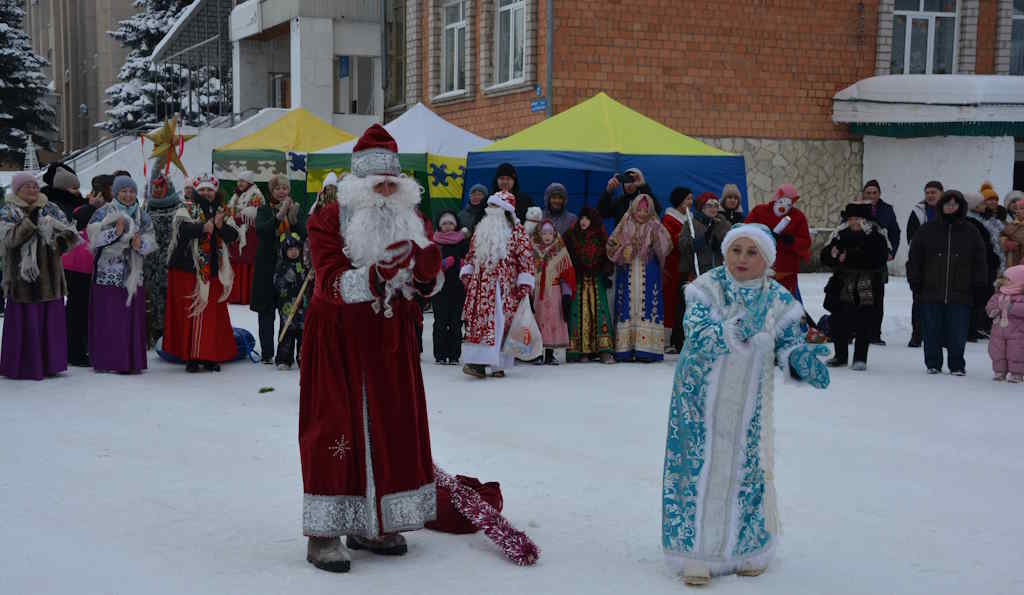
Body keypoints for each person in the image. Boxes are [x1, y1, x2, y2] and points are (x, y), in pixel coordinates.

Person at [299, 124, 442, 572]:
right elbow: (328, 282)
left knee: (391, 425)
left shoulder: (412, 220)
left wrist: (424, 278)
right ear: (356, 184)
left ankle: (374, 522)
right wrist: (376, 276)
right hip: (338, 336)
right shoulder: (328, 217)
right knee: (336, 430)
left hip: (390, 340)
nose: (385, 189)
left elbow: (419, 284)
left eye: (392, 182)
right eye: (377, 182)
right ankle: (325, 532)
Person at [661, 224, 830, 586]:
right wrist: (735, 329)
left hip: (748, 400)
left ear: (767, 259)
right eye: (736, 250)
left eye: (752, 253)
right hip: (698, 398)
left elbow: (789, 341)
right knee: (698, 469)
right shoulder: (707, 287)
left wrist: (803, 361)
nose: (742, 259)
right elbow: (698, 331)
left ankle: (747, 549)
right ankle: (695, 553)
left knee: (746, 469)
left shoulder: (778, 298)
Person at [0, 173, 82, 380]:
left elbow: (71, 233)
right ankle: (23, 365)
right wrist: (31, 222)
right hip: (22, 279)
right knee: (25, 323)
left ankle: (50, 364)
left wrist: (59, 241)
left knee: (49, 322)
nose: (33, 190)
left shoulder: (51, 208)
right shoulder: (8, 210)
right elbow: (9, 239)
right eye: (27, 186)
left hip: (50, 276)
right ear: (17, 189)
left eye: (35, 186)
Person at [162, 173, 240, 373]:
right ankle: (192, 357)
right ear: (196, 191)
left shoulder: (223, 211)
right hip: (188, 269)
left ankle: (208, 355)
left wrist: (220, 226)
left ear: (216, 192)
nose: (206, 193)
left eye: (210, 190)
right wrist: (202, 227)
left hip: (212, 269)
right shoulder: (186, 208)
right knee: (191, 313)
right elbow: (182, 231)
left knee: (210, 315)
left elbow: (233, 236)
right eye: (202, 189)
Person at [907, 190, 987, 376]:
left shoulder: (971, 231)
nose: (951, 207)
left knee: (958, 331)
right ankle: (933, 363)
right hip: (931, 290)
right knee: (931, 329)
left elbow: (980, 260)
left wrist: (979, 284)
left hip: (961, 290)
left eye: (955, 204)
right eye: (947, 204)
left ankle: (957, 364)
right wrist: (915, 280)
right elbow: (914, 258)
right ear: (941, 206)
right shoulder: (927, 230)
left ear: (961, 207)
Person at [460, 191, 535, 378]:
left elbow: (526, 257)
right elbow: (471, 254)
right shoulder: (481, 229)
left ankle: (497, 364)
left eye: (494, 206)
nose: (490, 210)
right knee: (480, 323)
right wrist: (468, 272)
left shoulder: (517, 231)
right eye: (490, 206)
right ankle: (478, 362)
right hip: (481, 287)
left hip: (505, 287)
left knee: (501, 322)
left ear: (505, 210)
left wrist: (524, 282)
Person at [86, 176, 156, 374]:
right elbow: (92, 239)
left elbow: (151, 239)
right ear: (116, 193)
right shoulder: (103, 212)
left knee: (131, 317)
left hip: (133, 274)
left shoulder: (142, 215)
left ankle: (130, 359)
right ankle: (109, 359)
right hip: (109, 273)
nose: (128, 195)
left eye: (131, 191)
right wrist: (115, 233)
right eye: (124, 191)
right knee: (110, 317)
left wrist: (140, 244)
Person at [820, 202, 890, 370]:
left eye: (857, 218)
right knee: (838, 321)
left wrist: (849, 256)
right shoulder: (840, 234)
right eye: (851, 219)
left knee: (863, 322)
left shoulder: (876, 235)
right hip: (841, 283)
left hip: (866, 284)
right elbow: (826, 257)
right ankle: (840, 355)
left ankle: (860, 358)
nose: (854, 222)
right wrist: (833, 256)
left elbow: (878, 259)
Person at [607, 194, 672, 362]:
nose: (642, 213)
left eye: (646, 210)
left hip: (648, 269)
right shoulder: (625, 223)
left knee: (648, 304)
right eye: (639, 209)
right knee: (628, 304)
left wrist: (655, 242)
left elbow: (667, 246)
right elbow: (611, 244)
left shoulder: (655, 224)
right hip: (627, 269)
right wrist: (625, 249)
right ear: (633, 208)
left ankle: (647, 350)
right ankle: (625, 348)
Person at [40, 162, 91, 367]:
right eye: (72, 187)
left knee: (76, 307)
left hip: (77, 262)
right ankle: (52, 348)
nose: (76, 191)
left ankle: (74, 348)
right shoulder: (49, 203)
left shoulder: (80, 202)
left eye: (77, 187)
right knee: (53, 306)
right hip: (56, 260)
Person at [251, 174, 301, 364]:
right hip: (267, 268)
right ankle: (267, 352)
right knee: (266, 312)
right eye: (277, 188)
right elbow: (262, 232)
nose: (282, 191)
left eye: (285, 188)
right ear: (271, 191)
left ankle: (287, 352)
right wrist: (279, 217)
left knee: (289, 311)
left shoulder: (294, 209)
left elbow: (302, 234)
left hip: (288, 271)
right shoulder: (264, 210)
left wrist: (293, 219)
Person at [564, 207, 615, 363]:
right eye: (582, 218)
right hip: (579, 280)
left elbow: (608, 256)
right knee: (579, 313)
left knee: (599, 313)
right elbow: (564, 253)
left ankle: (603, 350)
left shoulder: (600, 236)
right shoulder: (571, 235)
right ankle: (581, 350)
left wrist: (606, 271)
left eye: (587, 219)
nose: (584, 222)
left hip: (596, 280)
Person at [744, 183, 811, 301]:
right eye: (781, 201)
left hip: (786, 272)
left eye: (789, 203)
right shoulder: (759, 212)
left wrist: (791, 241)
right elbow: (745, 232)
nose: (783, 206)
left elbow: (805, 241)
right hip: (760, 270)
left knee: (785, 306)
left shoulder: (797, 217)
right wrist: (763, 234)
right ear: (776, 199)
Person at [143, 172, 181, 349]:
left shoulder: (178, 207)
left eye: (161, 186)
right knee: (154, 296)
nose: (157, 190)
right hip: (151, 261)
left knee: (170, 296)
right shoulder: (147, 207)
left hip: (172, 260)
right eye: (155, 187)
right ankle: (156, 332)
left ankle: (172, 333)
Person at [861, 180, 901, 345]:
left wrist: (891, 252)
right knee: (861, 296)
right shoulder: (857, 207)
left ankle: (874, 334)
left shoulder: (887, 210)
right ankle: (858, 331)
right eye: (868, 193)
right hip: (860, 260)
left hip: (878, 260)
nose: (871, 196)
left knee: (877, 298)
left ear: (879, 194)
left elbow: (894, 232)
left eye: (874, 193)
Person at [531, 220, 576, 365]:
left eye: (550, 233)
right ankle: (537, 354)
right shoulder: (533, 250)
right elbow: (528, 270)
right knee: (538, 320)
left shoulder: (560, 250)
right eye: (544, 233)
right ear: (539, 234)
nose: (547, 236)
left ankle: (550, 354)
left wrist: (567, 294)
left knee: (552, 320)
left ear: (554, 234)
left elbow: (566, 273)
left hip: (554, 291)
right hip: (537, 291)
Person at [906, 180, 943, 347]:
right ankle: (917, 334)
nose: (930, 195)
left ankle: (939, 336)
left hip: (943, 264)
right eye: (927, 192)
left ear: (941, 193)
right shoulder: (918, 211)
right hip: (921, 263)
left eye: (933, 192)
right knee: (919, 300)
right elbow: (911, 237)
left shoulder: (948, 211)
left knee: (941, 302)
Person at [431, 210, 469, 365]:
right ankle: (440, 354)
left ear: (456, 225)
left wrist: (464, 264)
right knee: (440, 322)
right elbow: (428, 265)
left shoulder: (463, 242)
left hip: (458, 289)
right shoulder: (434, 243)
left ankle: (454, 355)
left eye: (451, 223)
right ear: (440, 226)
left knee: (455, 322)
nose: (448, 226)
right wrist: (441, 265)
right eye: (445, 223)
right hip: (439, 289)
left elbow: (471, 260)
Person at [964, 192, 1002, 342]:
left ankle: (975, 327)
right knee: (975, 298)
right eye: (980, 204)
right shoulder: (972, 222)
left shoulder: (982, 220)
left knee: (981, 298)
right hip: (979, 266)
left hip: (986, 264)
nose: (984, 205)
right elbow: (984, 245)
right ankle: (971, 329)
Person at [660, 187, 693, 353]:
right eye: (687, 199)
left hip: (685, 266)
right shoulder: (668, 219)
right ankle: (667, 339)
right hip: (672, 266)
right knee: (671, 302)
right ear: (679, 201)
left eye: (691, 198)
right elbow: (669, 242)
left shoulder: (690, 218)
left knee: (682, 303)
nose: (690, 202)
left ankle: (680, 337)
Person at [226, 170, 265, 304]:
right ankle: (235, 294)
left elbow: (254, 213)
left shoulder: (256, 194)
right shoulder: (237, 195)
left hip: (249, 234)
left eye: (242, 181)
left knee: (247, 261)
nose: (240, 183)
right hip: (237, 232)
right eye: (239, 181)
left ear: (249, 182)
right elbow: (230, 209)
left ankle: (246, 295)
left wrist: (237, 218)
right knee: (236, 260)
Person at [273, 232, 307, 370]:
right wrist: (288, 281)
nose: (293, 252)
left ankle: (303, 357)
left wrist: (308, 276)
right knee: (287, 331)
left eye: (296, 249)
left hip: (303, 306)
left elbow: (305, 282)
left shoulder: (303, 265)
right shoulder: (281, 266)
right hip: (287, 305)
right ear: (284, 251)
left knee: (303, 333)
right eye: (290, 250)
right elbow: (278, 283)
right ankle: (284, 359)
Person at [987, 265, 1024, 382]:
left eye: (1008, 280)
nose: (1003, 282)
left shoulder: (1020, 297)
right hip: (998, 330)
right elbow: (990, 305)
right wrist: (993, 310)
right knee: (997, 351)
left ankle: (1017, 373)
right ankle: (999, 371)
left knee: (1016, 352)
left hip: (1017, 332)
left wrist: (1011, 307)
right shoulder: (999, 294)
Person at [976, 181, 1007, 274]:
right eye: (989, 199)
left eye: (995, 199)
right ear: (983, 202)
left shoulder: (1003, 216)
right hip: (990, 257)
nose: (994, 202)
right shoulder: (980, 218)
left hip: (1005, 255)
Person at [1001, 190, 1024, 268]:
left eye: (1019, 201)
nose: (1016, 204)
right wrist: (1006, 242)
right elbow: (1001, 236)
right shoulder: (1003, 220)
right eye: (1013, 201)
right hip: (1012, 259)